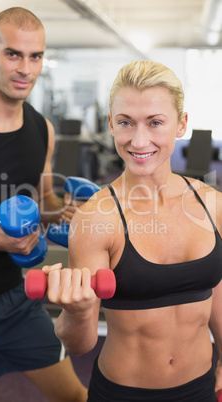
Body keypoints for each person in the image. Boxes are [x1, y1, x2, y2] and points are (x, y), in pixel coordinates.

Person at [43, 60, 222, 401]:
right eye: (126, 122)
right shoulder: (97, 217)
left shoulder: (212, 205)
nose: (140, 141)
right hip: (124, 393)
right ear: (111, 124)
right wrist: (77, 311)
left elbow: (217, 290)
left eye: (155, 123)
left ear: (181, 124)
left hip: (199, 388)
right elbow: (79, 345)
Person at [0, 7, 87, 402]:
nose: (25, 68)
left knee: (76, 397)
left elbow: (42, 199)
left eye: (36, 56)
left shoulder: (40, 128)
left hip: (15, 301)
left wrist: (69, 210)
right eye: (13, 54)